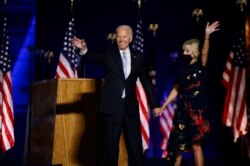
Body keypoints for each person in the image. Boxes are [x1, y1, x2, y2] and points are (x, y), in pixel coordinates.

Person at [72, 25, 161, 166]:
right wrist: (83, 49)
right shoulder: (109, 53)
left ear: (130, 39)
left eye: (124, 36)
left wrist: (155, 105)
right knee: (111, 147)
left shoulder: (139, 57)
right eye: (118, 36)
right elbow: (92, 56)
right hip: (112, 106)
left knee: (135, 147)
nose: (121, 39)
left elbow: (147, 83)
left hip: (130, 108)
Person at [158, 21, 220, 166]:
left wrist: (207, 36)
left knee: (196, 145)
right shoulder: (182, 69)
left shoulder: (201, 65)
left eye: (186, 50)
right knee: (178, 145)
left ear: (193, 52)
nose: (183, 53)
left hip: (197, 110)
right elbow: (177, 88)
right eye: (183, 50)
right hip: (182, 110)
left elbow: (205, 52)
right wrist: (164, 105)